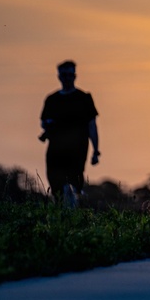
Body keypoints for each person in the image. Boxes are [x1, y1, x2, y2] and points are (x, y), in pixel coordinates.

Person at [39, 60, 101, 207]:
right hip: (55, 149)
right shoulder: (52, 100)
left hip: (77, 148)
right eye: (64, 75)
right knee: (55, 183)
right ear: (59, 76)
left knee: (74, 181)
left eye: (69, 74)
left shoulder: (84, 98)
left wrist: (96, 151)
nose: (67, 78)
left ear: (74, 76)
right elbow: (43, 122)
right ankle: (62, 212)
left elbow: (92, 126)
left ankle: (75, 210)